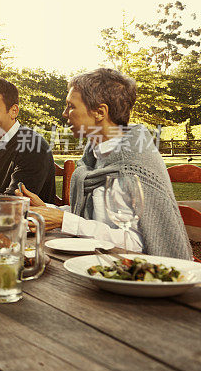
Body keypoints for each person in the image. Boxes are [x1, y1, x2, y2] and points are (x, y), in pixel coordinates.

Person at [17, 68, 191, 259]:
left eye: (71, 106)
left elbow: (137, 244)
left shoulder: (134, 165)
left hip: (138, 274)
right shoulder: (95, 155)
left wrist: (64, 221)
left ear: (100, 112)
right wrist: (49, 210)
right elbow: (97, 219)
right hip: (98, 263)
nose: (65, 113)